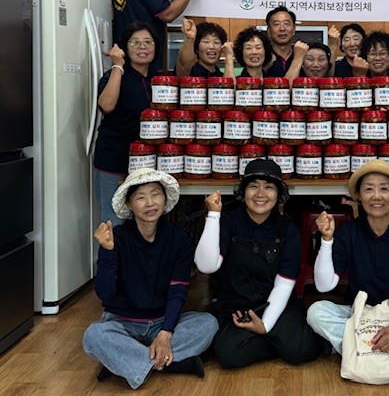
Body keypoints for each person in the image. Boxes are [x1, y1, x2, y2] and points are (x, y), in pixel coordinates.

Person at [83, 168, 218, 390]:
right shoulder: (116, 238)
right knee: (94, 336)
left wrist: (165, 332)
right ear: (129, 204)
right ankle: (168, 363)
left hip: (162, 322)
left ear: (165, 199)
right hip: (122, 324)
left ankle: (127, 362)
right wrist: (107, 252)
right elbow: (104, 293)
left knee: (208, 324)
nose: (149, 203)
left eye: (155, 194)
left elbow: (178, 290)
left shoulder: (178, 239)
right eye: (140, 197)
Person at [306, 160, 389, 379]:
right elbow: (324, 285)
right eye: (368, 189)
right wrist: (327, 240)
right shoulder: (348, 232)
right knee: (316, 312)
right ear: (359, 196)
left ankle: (353, 351)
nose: (376, 196)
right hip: (358, 315)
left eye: (384, 189)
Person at [194, 159, 322, 368]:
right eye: (253, 186)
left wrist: (265, 325)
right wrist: (214, 216)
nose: (260, 194)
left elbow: (284, 284)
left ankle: (268, 338)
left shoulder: (288, 229)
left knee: (301, 350)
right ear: (243, 192)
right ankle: (277, 343)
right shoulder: (228, 221)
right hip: (237, 308)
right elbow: (206, 266)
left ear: (278, 195)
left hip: (277, 305)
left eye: (269, 187)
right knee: (228, 355)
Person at [93, 21, 160, 225]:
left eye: (148, 42)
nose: (142, 47)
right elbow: (106, 105)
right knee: (114, 222)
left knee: (146, 224)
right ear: (125, 47)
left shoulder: (157, 79)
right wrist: (117, 66)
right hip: (115, 161)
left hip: (148, 165)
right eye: (135, 42)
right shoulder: (115, 75)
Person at [264, 5, 297, 76]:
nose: (282, 28)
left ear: (294, 29)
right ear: (269, 31)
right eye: (276, 24)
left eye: (286, 24)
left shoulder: (302, 55)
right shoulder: (263, 57)